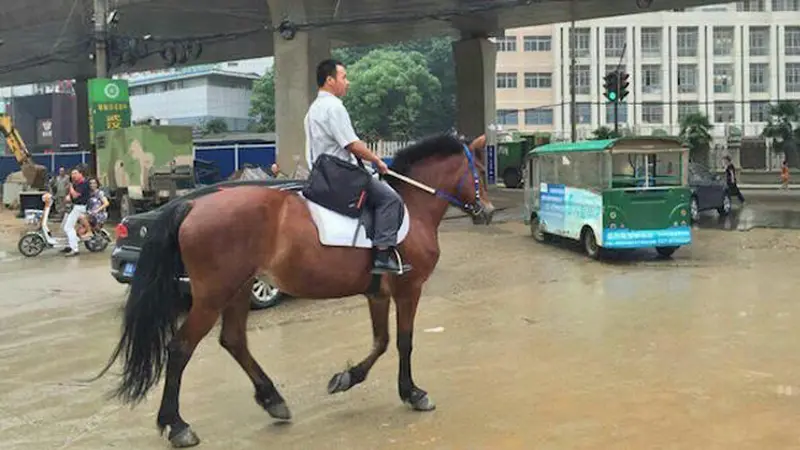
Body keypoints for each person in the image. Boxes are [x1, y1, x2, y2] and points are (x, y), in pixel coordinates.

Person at [304, 59, 407, 275]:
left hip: (320, 175)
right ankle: (382, 254)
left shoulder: (313, 110)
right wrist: (377, 161)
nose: (347, 82)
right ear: (330, 80)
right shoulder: (334, 106)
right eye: (344, 77)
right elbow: (351, 144)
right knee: (391, 200)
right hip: (341, 176)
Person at [62, 168, 90, 257]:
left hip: (79, 208)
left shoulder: (84, 184)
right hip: (74, 207)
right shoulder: (76, 184)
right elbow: (71, 196)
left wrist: (70, 187)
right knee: (64, 226)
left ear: (81, 174)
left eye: (75, 173)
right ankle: (71, 244)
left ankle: (74, 249)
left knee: (68, 227)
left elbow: (75, 195)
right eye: (72, 174)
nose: (73, 175)